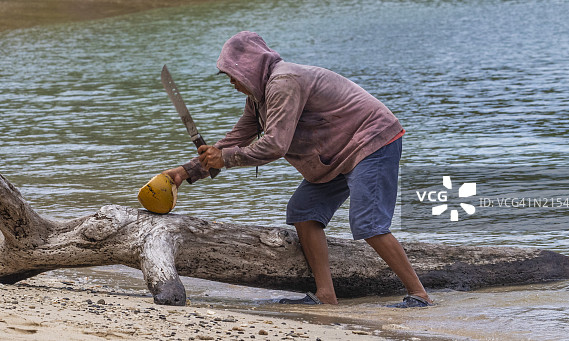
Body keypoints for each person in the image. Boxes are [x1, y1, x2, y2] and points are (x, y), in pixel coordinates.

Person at [162, 31, 432, 308]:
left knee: (368, 223)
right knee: (304, 211)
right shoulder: (259, 97)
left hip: (372, 141)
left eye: (233, 76)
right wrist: (185, 172)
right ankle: (326, 295)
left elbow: (275, 145)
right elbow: (236, 139)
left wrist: (226, 158)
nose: (232, 83)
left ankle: (420, 295)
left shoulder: (283, 82)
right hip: (335, 153)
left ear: (249, 67)